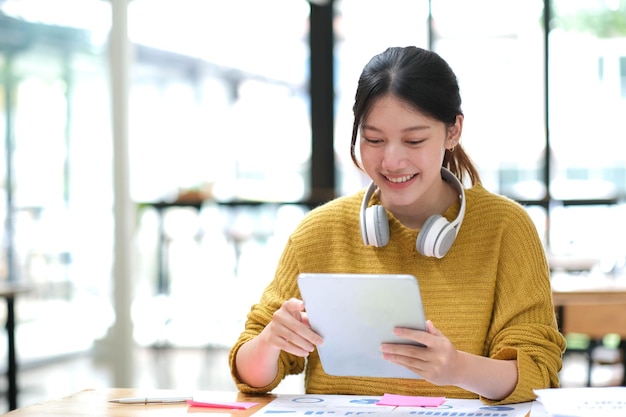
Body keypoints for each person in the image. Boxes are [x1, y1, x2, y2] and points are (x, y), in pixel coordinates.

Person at [229, 46, 565, 405]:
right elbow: (251, 377)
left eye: (413, 140)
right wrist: (270, 342)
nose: (391, 160)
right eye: (374, 140)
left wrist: (456, 368)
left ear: (453, 132)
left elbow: (539, 373)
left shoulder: (506, 228)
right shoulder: (317, 233)